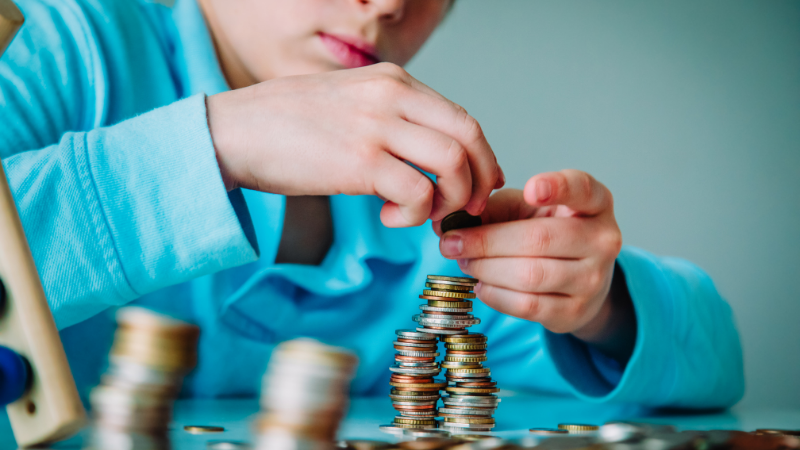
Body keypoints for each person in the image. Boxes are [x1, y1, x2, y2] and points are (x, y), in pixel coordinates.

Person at [0, 0, 743, 408]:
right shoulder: (53, 41)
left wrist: (597, 300)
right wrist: (221, 139)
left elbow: (714, 353)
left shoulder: (419, 227)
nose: (389, 3)